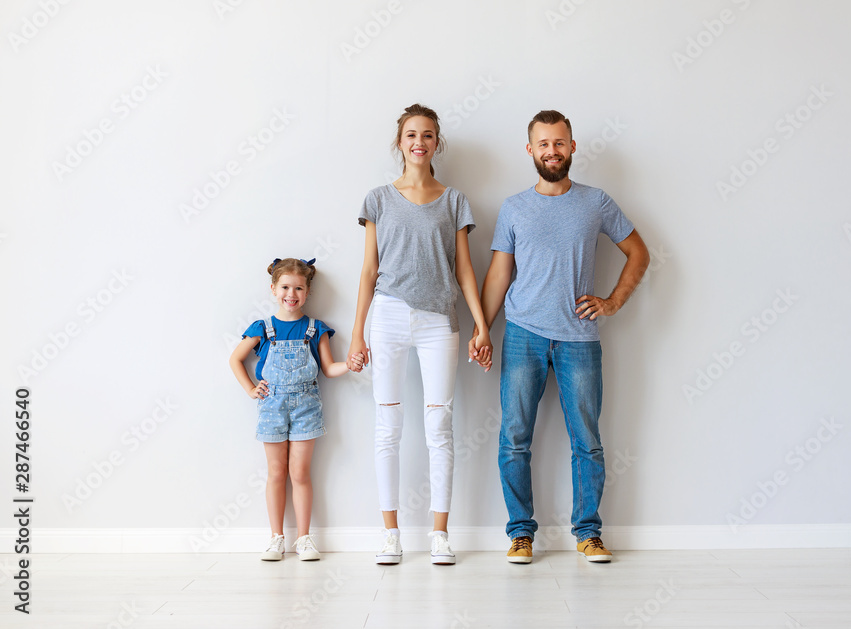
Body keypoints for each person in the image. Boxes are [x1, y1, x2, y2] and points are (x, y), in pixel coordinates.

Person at [478, 110, 650, 564]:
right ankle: (520, 534)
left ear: (572, 147)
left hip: (579, 338)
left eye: (559, 143)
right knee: (514, 438)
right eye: (543, 143)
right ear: (530, 150)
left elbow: (638, 252)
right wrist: (482, 328)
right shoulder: (514, 207)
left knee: (587, 441)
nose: (551, 151)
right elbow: (499, 274)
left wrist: (612, 302)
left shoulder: (596, 202)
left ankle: (588, 533)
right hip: (522, 334)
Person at [348, 104, 493, 565]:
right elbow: (369, 270)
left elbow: (465, 270)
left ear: (436, 143)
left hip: (438, 323)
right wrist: (357, 335)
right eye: (411, 135)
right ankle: (390, 534)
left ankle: (439, 535)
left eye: (428, 135)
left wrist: (481, 326)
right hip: (388, 316)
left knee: (439, 427)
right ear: (400, 142)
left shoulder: (454, 201)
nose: (419, 142)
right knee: (387, 427)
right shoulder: (377, 199)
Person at [229, 257, 361, 561]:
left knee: (300, 473)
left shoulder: (316, 329)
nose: (292, 294)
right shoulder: (262, 328)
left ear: (308, 291)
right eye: (285, 287)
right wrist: (251, 388)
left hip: (307, 408)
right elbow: (235, 359)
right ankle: (276, 538)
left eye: (299, 288)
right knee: (276, 473)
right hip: (272, 408)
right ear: (273, 289)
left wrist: (350, 366)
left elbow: (329, 368)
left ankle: (304, 538)